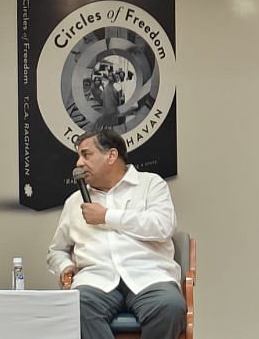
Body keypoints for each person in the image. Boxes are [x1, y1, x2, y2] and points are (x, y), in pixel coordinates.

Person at [46, 130, 185, 339]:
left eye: (86, 154)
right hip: (96, 281)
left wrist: (107, 216)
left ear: (111, 156)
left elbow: (163, 226)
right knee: (76, 305)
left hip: (149, 277)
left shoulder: (150, 185)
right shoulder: (75, 201)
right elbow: (57, 250)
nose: (79, 164)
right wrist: (65, 267)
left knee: (170, 306)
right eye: (79, 156)